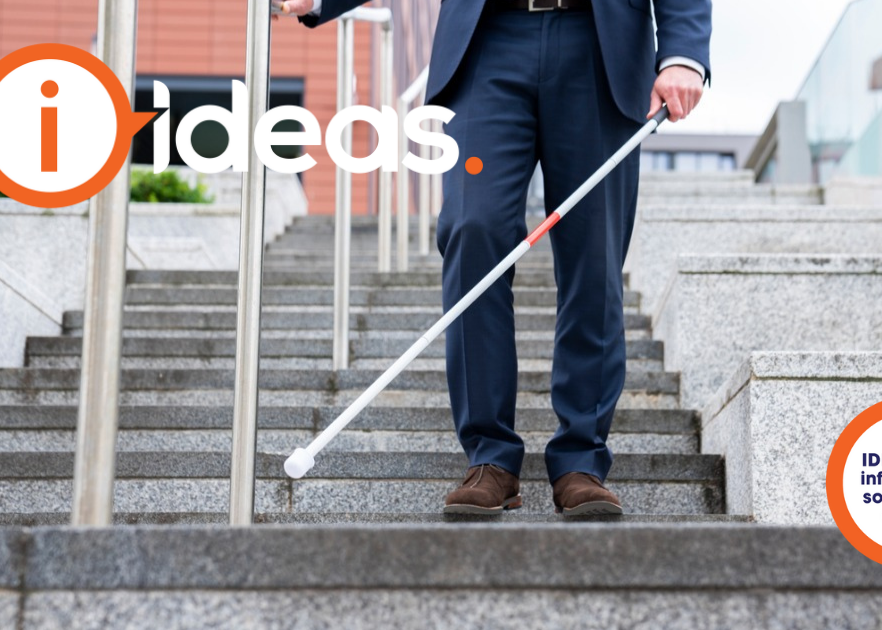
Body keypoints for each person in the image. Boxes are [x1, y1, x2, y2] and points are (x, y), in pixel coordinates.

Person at [281, 0, 711, 516]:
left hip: (600, 47)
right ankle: (490, 457)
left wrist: (684, 51)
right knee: (472, 227)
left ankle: (581, 459)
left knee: (593, 254)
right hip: (488, 43)